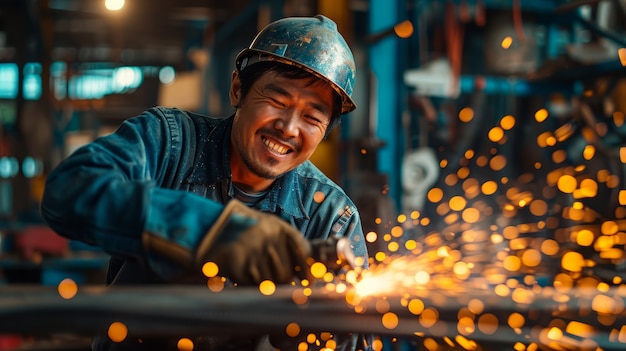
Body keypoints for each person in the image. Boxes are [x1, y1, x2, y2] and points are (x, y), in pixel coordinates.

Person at [40, 14, 370, 351]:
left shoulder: (331, 215)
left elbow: (355, 336)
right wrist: (207, 230)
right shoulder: (170, 143)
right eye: (277, 101)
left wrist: (321, 334)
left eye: (312, 117)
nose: (288, 128)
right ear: (237, 88)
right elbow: (69, 189)